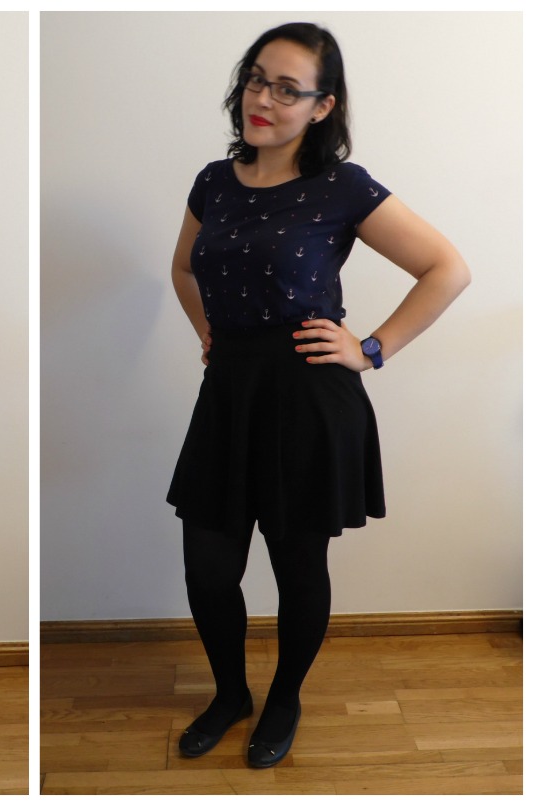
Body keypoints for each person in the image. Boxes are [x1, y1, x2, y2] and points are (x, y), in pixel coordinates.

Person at [166, 22, 469, 769]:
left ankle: (285, 698)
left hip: (306, 398)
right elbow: (184, 268)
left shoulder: (343, 186)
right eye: (256, 79)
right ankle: (230, 694)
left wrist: (370, 349)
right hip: (228, 392)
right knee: (208, 566)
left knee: (297, 567)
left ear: (322, 106)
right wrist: (209, 332)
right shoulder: (213, 181)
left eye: (286, 89)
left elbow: (447, 269)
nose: (263, 99)